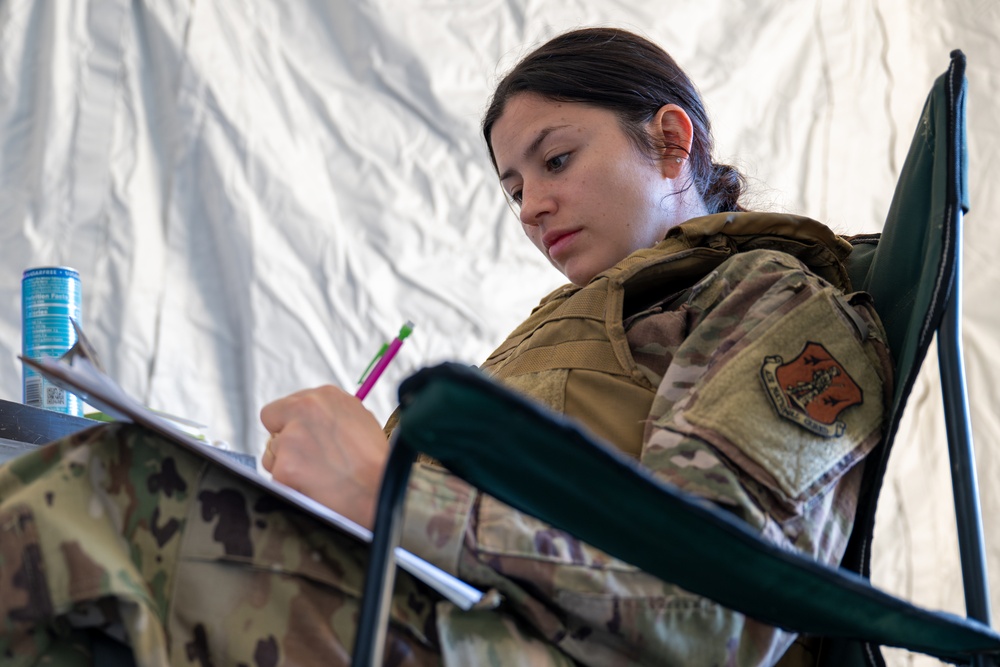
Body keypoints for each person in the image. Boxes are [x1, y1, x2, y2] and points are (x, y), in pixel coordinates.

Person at [0, 27, 891, 667]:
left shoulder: (769, 299)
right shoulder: (570, 324)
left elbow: (720, 611)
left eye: (555, 160)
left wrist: (389, 492)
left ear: (669, 140)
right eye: (511, 189)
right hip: (458, 618)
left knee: (103, 494)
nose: (531, 206)